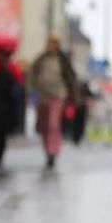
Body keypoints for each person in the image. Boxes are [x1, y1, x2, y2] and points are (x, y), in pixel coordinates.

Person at [30, 36, 77, 168]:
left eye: (53, 44)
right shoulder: (41, 59)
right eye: (49, 43)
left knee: (53, 124)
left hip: (58, 95)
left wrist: (72, 95)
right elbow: (33, 74)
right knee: (43, 125)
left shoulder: (62, 60)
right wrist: (32, 90)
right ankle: (47, 149)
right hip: (42, 95)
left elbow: (71, 77)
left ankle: (53, 151)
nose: (50, 46)